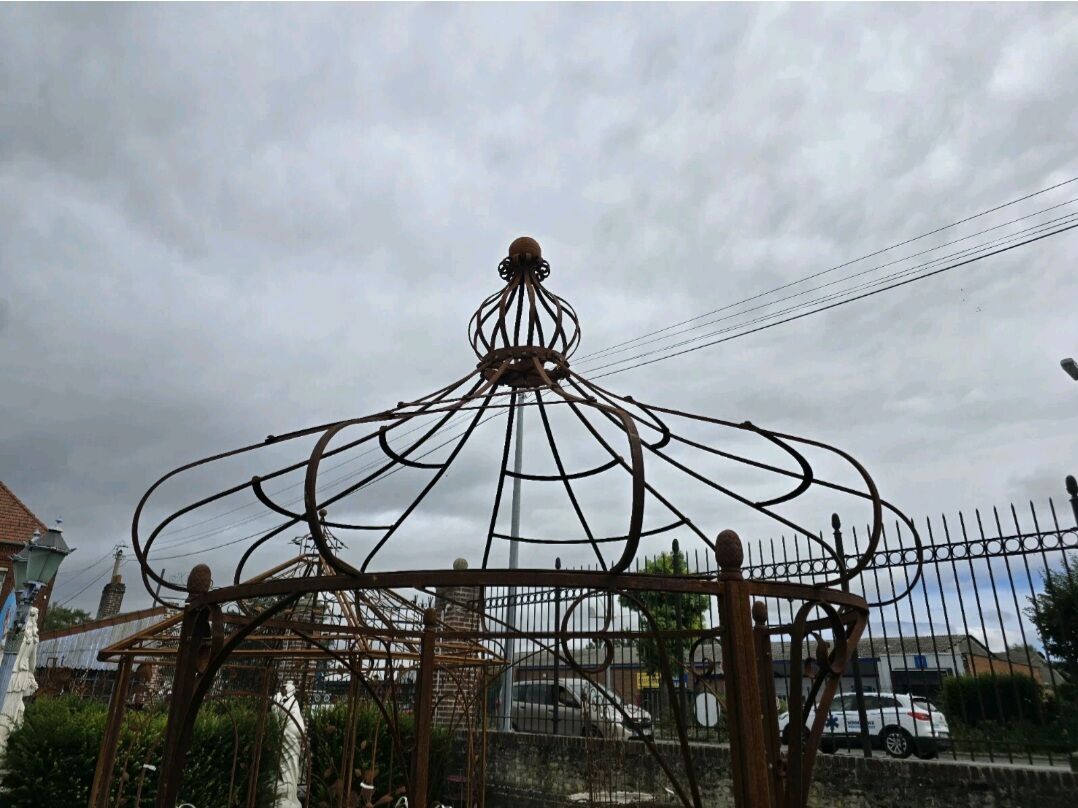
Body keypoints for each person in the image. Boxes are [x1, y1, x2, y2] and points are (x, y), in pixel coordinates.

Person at [273, 679, 305, 808]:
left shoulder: (290, 701)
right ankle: (288, 792)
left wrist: (276, 703)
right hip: (288, 735)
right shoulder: (287, 700)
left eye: (285, 689)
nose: (283, 690)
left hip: (290, 735)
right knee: (287, 762)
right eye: (283, 688)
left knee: (290, 762)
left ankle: (290, 793)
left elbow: (280, 714)